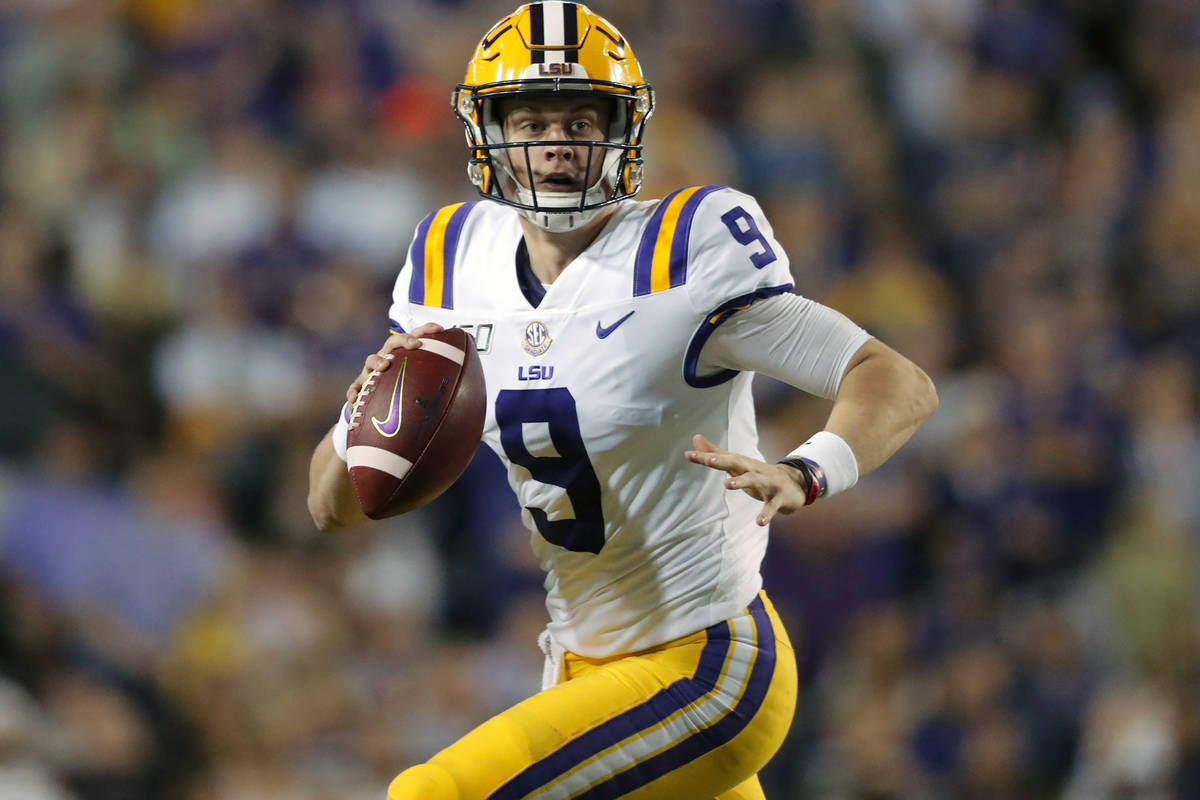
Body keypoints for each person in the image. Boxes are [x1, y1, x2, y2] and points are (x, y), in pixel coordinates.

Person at [307, 3, 938, 798]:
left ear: (623, 131)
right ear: (488, 134)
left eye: (581, 118)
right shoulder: (451, 259)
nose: (557, 143)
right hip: (579, 669)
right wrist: (367, 413)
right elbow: (331, 508)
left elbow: (894, 379)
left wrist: (811, 468)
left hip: (707, 663)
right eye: (531, 119)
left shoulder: (684, 251)